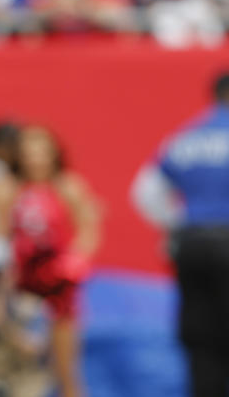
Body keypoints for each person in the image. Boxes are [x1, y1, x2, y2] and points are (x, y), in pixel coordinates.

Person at [131, 71, 229, 397]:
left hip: (192, 245)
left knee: (200, 335)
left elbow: (145, 192)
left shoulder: (187, 137)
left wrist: (180, 224)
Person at [0, 125, 101, 397]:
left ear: (54, 154)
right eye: (29, 153)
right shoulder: (9, 190)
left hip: (59, 289)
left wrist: (73, 263)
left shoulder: (68, 186)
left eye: (42, 152)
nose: (35, 159)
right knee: (19, 370)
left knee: (66, 369)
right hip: (21, 292)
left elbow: (89, 229)